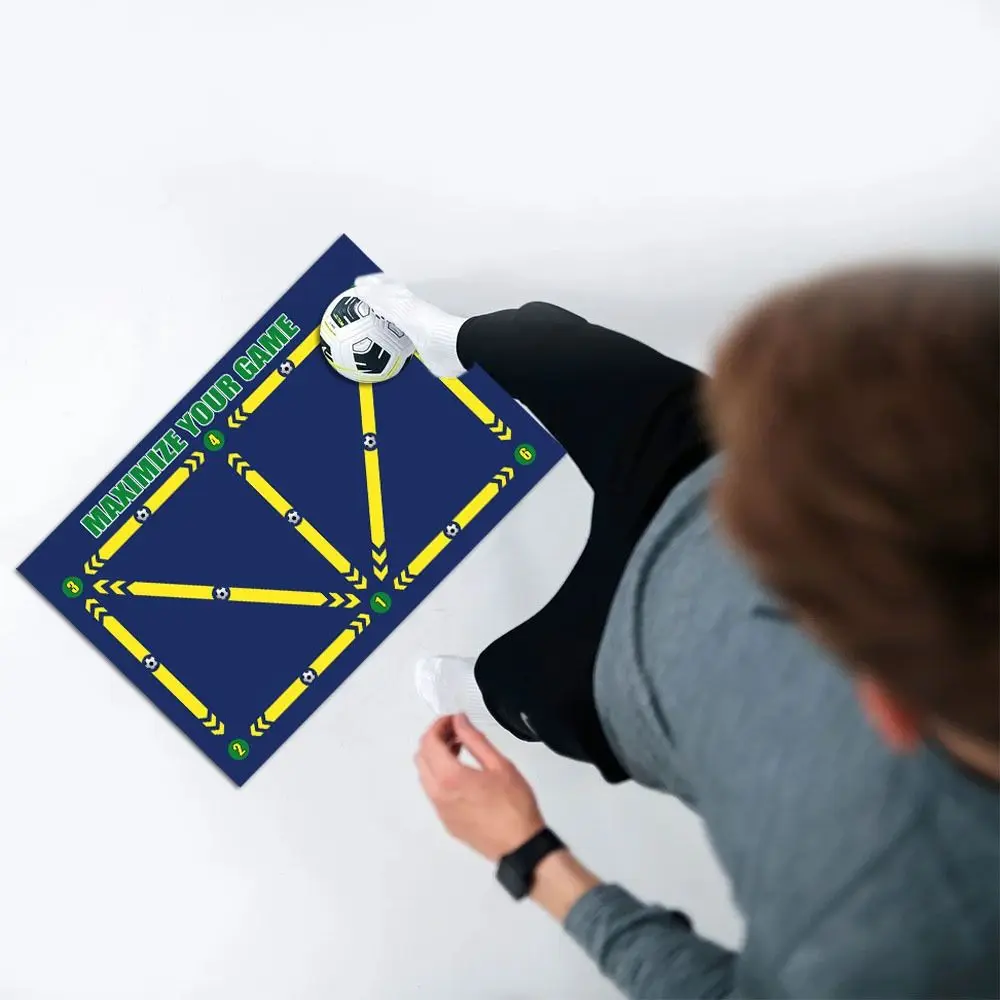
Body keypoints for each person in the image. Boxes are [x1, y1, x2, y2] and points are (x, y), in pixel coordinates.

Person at [352, 266, 999, 999]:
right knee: (542, 340)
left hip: (616, 675)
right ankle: (450, 345)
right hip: (710, 463)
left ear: (886, 704)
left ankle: (484, 690)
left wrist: (526, 853)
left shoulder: (871, 952)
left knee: (506, 683)